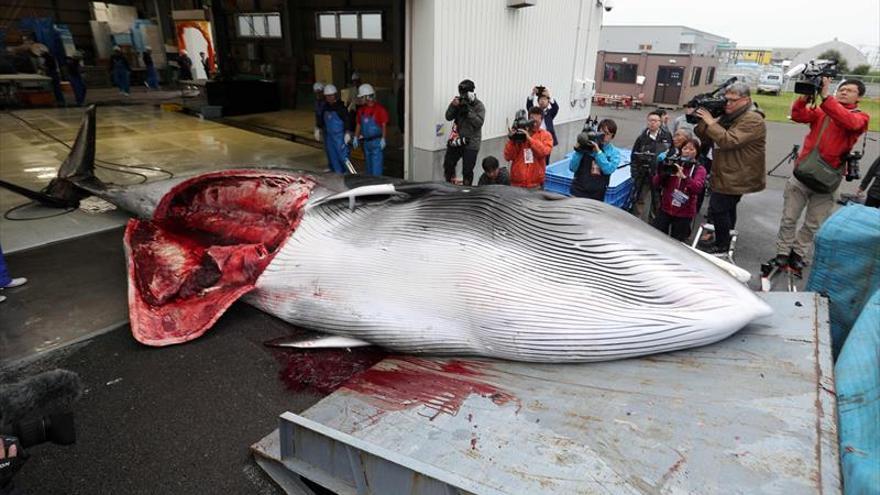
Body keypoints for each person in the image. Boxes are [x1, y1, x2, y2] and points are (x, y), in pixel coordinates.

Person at [770, 78, 870, 275]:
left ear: (859, 97)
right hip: (803, 173)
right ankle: (782, 252)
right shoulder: (823, 109)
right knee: (789, 218)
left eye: (849, 91)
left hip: (828, 180)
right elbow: (798, 115)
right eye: (841, 89)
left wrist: (826, 97)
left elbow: (848, 121)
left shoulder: (860, 117)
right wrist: (805, 97)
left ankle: (798, 254)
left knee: (813, 223)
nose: (843, 92)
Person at [695, 81, 767, 255]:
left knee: (718, 208)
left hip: (738, 175)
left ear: (746, 100)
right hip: (728, 172)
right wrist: (710, 116)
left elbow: (729, 140)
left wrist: (712, 123)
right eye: (726, 99)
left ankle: (721, 245)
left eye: (733, 100)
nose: (728, 103)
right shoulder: (731, 114)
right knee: (727, 208)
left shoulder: (752, 119)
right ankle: (724, 238)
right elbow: (700, 133)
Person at [651, 137, 707, 241]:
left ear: (697, 152)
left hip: (684, 212)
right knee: (657, 238)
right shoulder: (673, 164)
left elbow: (697, 188)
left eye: (691, 149)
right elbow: (656, 183)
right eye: (685, 148)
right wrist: (663, 172)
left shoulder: (700, 169)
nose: (687, 152)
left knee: (678, 242)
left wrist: (685, 177)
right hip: (666, 208)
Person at [630, 111, 673, 221]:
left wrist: (666, 156)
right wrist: (634, 173)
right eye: (650, 120)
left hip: (659, 174)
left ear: (660, 122)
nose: (652, 123)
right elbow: (634, 156)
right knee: (639, 198)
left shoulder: (667, 136)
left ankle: (653, 223)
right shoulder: (642, 138)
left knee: (657, 200)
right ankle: (636, 221)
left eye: (655, 121)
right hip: (643, 173)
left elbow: (672, 151)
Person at [443, 79, 486, 186]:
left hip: (471, 143)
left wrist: (468, 111)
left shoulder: (479, 106)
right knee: (448, 164)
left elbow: (478, 123)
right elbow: (448, 117)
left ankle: (467, 190)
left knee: (467, 170)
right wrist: (453, 106)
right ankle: (449, 184)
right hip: (457, 140)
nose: (463, 96)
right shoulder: (459, 101)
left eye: (465, 93)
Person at [569, 119, 621, 200]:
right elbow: (572, 168)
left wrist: (598, 152)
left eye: (607, 134)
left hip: (597, 195)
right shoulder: (587, 146)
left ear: (612, 136)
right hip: (577, 191)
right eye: (601, 132)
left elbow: (608, 169)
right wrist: (579, 149)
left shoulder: (614, 153)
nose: (604, 136)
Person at [504, 106, 554, 189]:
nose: (534, 124)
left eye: (537, 121)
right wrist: (512, 140)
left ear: (541, 121)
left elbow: (544, 152)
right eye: (532, 121)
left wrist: (529, 139)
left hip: (535, 184)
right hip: (517, 184)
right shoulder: (519, 134)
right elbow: (508, 156)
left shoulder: (546, 135)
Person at [352, 83, 389, 176]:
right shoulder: (361, 110)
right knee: (368, 168)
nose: (360, 99)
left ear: (368, 97)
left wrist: (383, 139)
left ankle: (377, 187)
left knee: (376, 169)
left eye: (362, 97)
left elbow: (384, 125)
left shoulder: (380, 110)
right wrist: (355, 137)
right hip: (366, 143)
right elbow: (359, 124)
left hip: (377, 142)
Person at [317, 84, 353, 174]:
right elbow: (321, 119)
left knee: (343, 157)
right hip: (330, 137)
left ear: (335, 95)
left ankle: (351, 174)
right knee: (333, 157)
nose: (329, 98)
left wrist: (347, 132)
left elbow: (347, 120)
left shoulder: (341, 108)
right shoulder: (325, 107)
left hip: (340, 137)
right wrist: (318, 128)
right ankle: (338, 175)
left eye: (331, 95)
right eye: (327, 96)